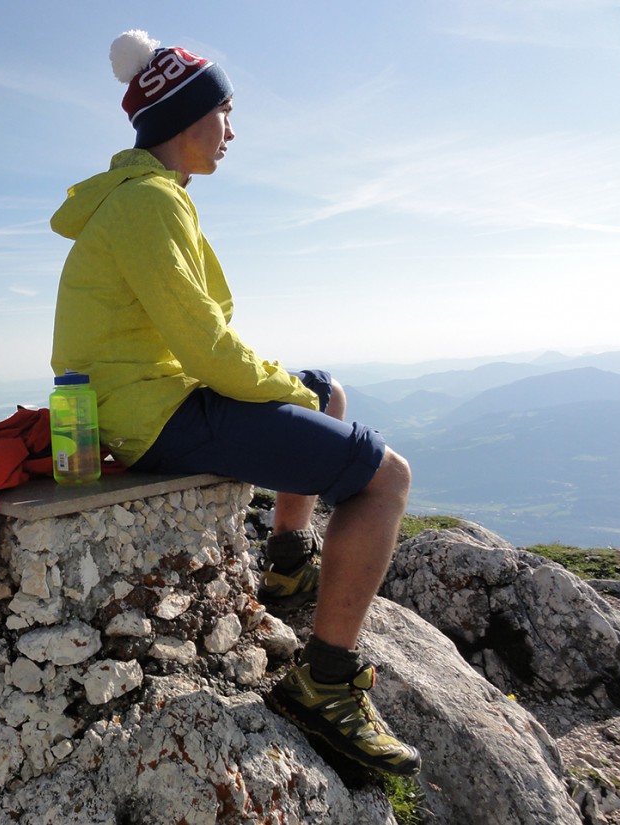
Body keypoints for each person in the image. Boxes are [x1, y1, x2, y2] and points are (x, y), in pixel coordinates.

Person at [49, 29, 421, 776]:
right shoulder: (148, 206)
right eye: (225, 112)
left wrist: (298, 390)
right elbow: (208, 351)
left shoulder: (144, 198)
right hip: (156, 415)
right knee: (386, 479)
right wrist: (283, 390)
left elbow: (199, 342)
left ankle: (287, 560)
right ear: (187, 120)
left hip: (146, 399)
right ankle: (326, 682)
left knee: (327, 388)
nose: (232, 131)